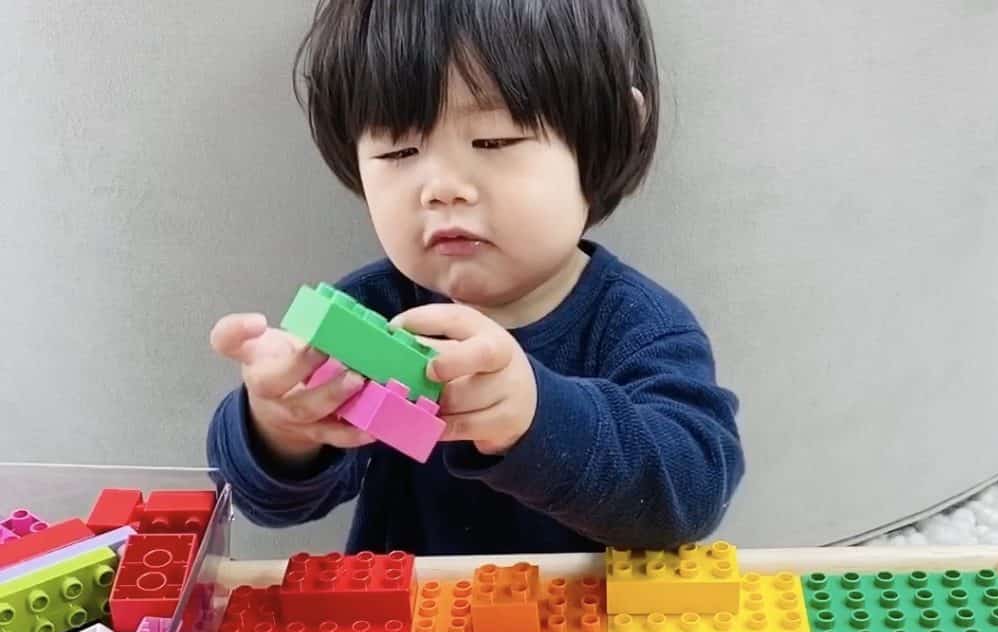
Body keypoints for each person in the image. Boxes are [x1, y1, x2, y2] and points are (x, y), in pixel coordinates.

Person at [207, 0, 744, 556]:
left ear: (610, 134)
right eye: (399, 150)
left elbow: (691, 492)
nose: (441, 187)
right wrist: (279, 427)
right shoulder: (372, 314)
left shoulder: (638, 325)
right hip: (408, 631)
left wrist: (538, 416)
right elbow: (270, 500)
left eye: (493, 141)